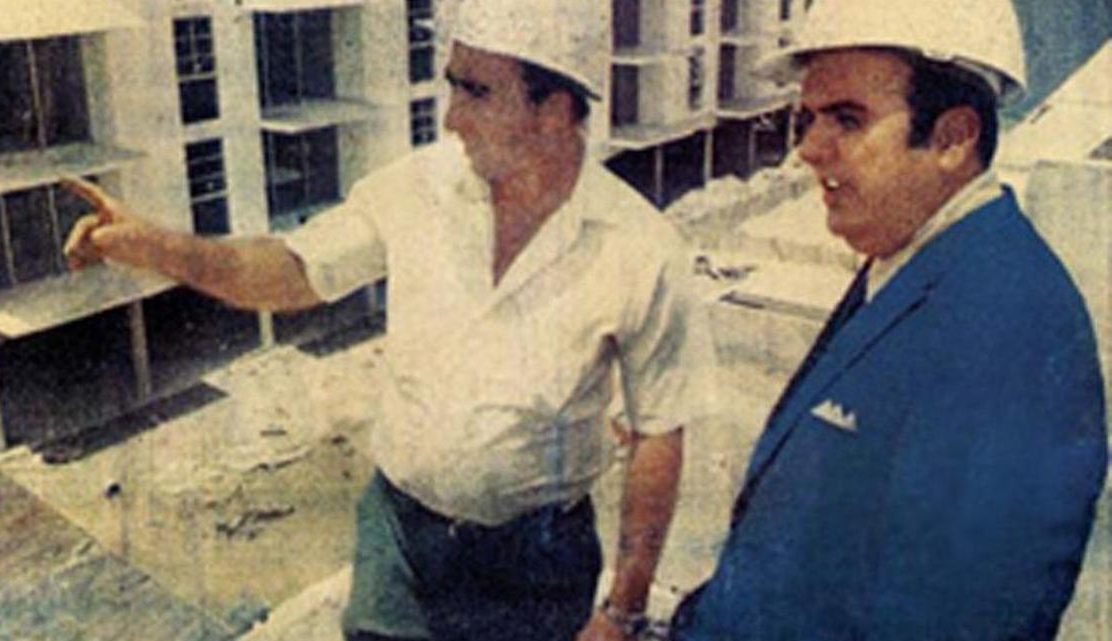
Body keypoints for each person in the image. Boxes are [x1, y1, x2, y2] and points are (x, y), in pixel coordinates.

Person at [63, 1, 715, 640]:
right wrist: (156, 246)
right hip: (400, 540)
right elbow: (294, 268)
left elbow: (658, 431)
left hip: (537, 563)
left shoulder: (641, 247)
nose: (452, 118)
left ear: (556, 109)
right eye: (452, 85)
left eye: (479, 93)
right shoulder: (416, 190)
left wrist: (623, 611)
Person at [671, 0, 1108, 639]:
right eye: (807, 119)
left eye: (847, 120)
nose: (809, 151)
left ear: (954, 139)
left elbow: (965, 620)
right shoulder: (906, 262)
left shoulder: (1010, 323)